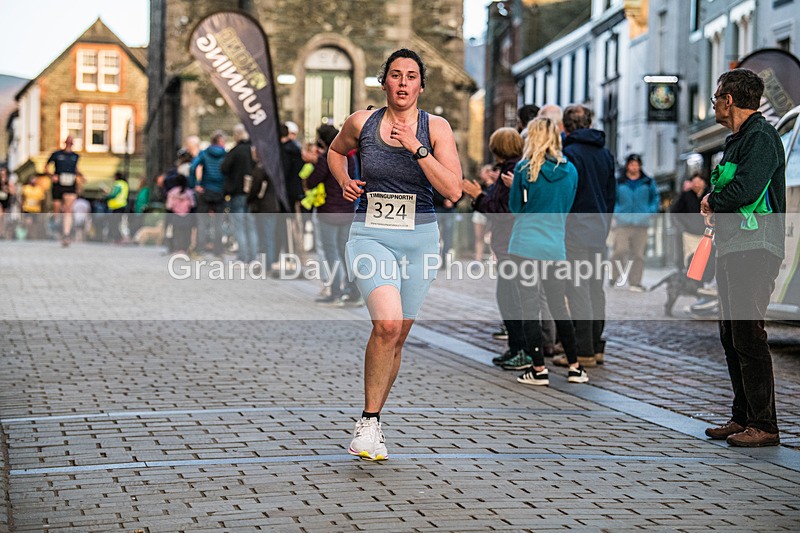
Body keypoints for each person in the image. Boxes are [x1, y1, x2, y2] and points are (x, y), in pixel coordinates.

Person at [329, 49, 462, 460]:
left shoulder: (436, 127)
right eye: (395, 75)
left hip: (420, 239)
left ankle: (375, 424)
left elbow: (453, 190)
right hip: (371, 234)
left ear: (421, 86)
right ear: (383, 82)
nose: (403, 83)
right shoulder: (360, 122)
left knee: (398, 335)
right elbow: (335, 152)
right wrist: (345, 179)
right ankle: (367, 421)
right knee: (386, 324)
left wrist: (418, 149)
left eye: (411, 77)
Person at [701, 68, 786, 447]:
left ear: (729, 100)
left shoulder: (762, 138)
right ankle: (743, 417)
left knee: (749, 333)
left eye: (717, 97)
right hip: (732, 244)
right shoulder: (736, 139)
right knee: (731, 333)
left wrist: (711, 200)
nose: (714, 104)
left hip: (756, 247)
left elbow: (744, 188)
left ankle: (765, 425)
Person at [502, 117, 587, 387]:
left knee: (529, 307)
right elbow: (568, 206)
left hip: (524, 245)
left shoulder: (524, 169)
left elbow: (515, 208)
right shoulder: (571, 171)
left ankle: (538, 368)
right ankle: (575, 366)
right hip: (554, 246)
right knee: (558, 305)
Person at [552, 104, 616, 369]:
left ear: (565, 127)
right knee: (595, 288)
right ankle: (597, 347)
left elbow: (566, 195)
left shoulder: (568, 154)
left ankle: (582, 351)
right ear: (590, 123)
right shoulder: (606, 154)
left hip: (574, 229)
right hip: (599, 227)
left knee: (577, 288)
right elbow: (612, 194)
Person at [461, 128, 523, 368]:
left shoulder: (511, 171)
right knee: (507, 295)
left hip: (510, 243)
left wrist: (478, 196)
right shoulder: (513, 169)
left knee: (511, 297)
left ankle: (520, 348)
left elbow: (501, 209)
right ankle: (515, 347)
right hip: (507, 242)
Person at [307, 124, 359, 305]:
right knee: (345, 253)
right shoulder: (350, 158)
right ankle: (353, 292)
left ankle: (335, 291)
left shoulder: (327, 157)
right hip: (347, 210)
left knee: (331, 253)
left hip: (328, 212)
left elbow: (312, 181)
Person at [610, 154, 660, 291]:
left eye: (637, 164)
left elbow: (655, 198)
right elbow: (612, 198)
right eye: (631, 164)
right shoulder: (619, 182)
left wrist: (650, 212)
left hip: (641, 223)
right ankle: (614, 275)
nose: (634, 167)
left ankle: (635, 282)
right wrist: (616, 212)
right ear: (627, 166)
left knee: (638, 254)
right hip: (622, 222)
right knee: (621, 249)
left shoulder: (648, 182)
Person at [222, 124, 258, 265]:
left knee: (239, 225)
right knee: (251, 225)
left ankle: (243, 256)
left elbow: (224, 168)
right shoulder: (253, 151)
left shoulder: (235, 151)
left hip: (237, 192)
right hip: (251, 194)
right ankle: (253, 256)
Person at [191, 131, 227, 256]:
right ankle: (218, 251)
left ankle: (200, 250)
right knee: (218, 223)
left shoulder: (204, 153)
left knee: (202, 222)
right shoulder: (226, 155)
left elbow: (193, 167)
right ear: (221, 142)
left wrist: (195, 184)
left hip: (206, 191)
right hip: (220, 192)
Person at [45, 136, 84, 246]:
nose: (69, 143)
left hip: (70, 184)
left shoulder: (75, 156)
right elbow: (46, 167)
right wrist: (52, 176)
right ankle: (57, 226)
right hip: (58, 184)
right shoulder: (57, 154)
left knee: (68, 210)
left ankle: (66, 234)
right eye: (68, 141)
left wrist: (81, 176)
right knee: (57, 208)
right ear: (65, 142)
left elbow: (75, 169)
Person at [166, 174, 196, 254]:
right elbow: (192, 205)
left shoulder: (172, 192)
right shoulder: (189, 192)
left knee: (176, 232)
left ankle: (177, 248)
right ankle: (185, 248)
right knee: (186, 232)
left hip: (175, 215)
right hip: (187, 215)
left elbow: (169, 206)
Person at [104, 172, 129, 243]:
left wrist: (107, 196)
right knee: (117, 223)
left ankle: (119, 238)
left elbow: (114, 194)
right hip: (122, 206)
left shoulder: (119, 183)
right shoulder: (125, 184)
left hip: (118, 206)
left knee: (114, 223)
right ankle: (119, 238)